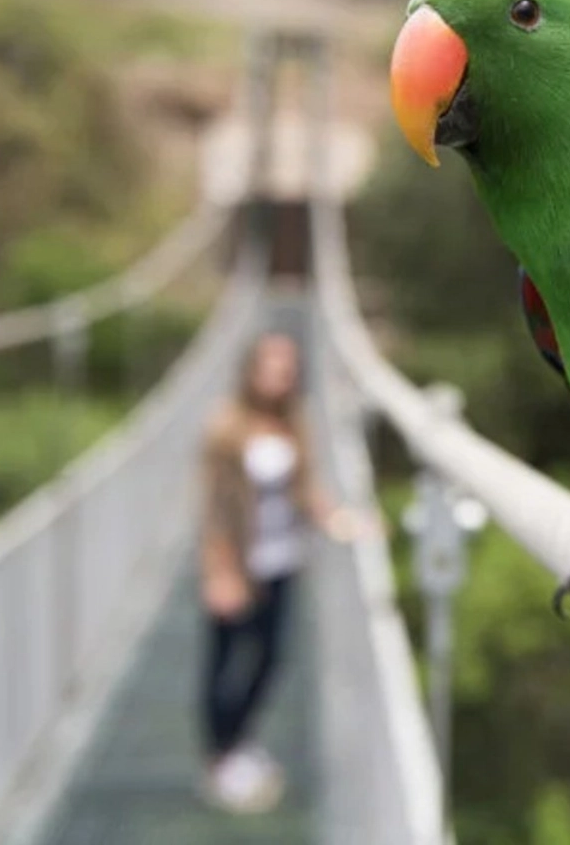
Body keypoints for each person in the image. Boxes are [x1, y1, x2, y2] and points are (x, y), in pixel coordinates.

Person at [197, 331, 365, 813]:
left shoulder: (296, 422)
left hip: (282, 561)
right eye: (273, 366)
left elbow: (306, 489)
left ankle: (238, 743)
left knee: (269, 660)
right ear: (252, 370)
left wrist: (343, 522)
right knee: (225, 665)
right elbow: (213, 507)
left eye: (289, 368)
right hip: (237, 564)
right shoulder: (226, 428)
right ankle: (219, 757)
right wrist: (219, 572)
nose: (282, 376)